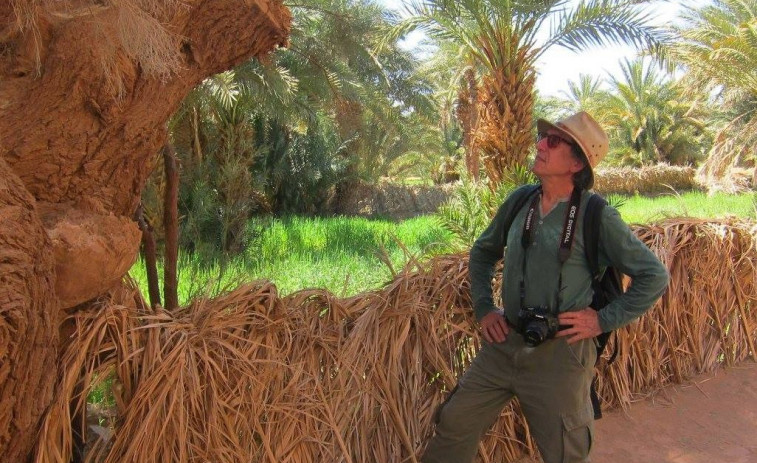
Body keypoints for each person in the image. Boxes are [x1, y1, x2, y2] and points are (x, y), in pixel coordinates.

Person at [422, 111, 669, 463]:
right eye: (543, 138)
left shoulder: (597, 216)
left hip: (561, 353)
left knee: (567, 451)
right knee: (454, 422)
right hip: (504, 342)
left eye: (553, 141)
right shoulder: (521, 200)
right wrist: (484, 307)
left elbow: (654, 275)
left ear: (576, 162)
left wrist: (601, 321)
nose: (540, 145)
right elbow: (482, 252)